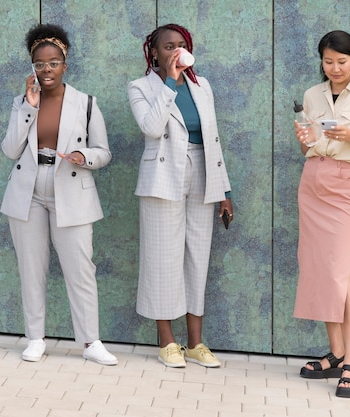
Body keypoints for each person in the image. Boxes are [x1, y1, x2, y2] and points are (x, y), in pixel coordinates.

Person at [0, 23, 117, 365]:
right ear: (32, 66)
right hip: (28, 192)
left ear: (65, 63)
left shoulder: (86, 103)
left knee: (80, 269)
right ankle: (35, 338)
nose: (46, 69)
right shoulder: (23, 101)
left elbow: (104, 151)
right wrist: (29, 107)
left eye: (53, 62)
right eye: (39, 63)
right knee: (31, 269)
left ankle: (90, 342)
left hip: (72, 188)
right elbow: (10, 150)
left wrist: (86, 157)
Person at [127, 23, 233, 369]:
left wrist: (224, 191)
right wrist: (170, 82)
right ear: (154, 53)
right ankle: (167, 342)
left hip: (203, 170)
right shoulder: (140, 87)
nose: (175, 50)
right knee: (163, 257)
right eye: (168, 46)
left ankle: (196, 342)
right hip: (162, 175)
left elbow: (213, 140)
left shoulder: (203, 86)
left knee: (196, 256)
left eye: (181, 45)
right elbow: (152, 127)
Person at [293, 30, 350, 398]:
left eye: (342, 62)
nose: (335, 68)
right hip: (313, 180)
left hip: (347, 184)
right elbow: (307, 141)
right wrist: (305, 140)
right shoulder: (312, 95)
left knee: (340, 272)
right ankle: (335, 353)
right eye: (328, 61)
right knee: (319, 269)